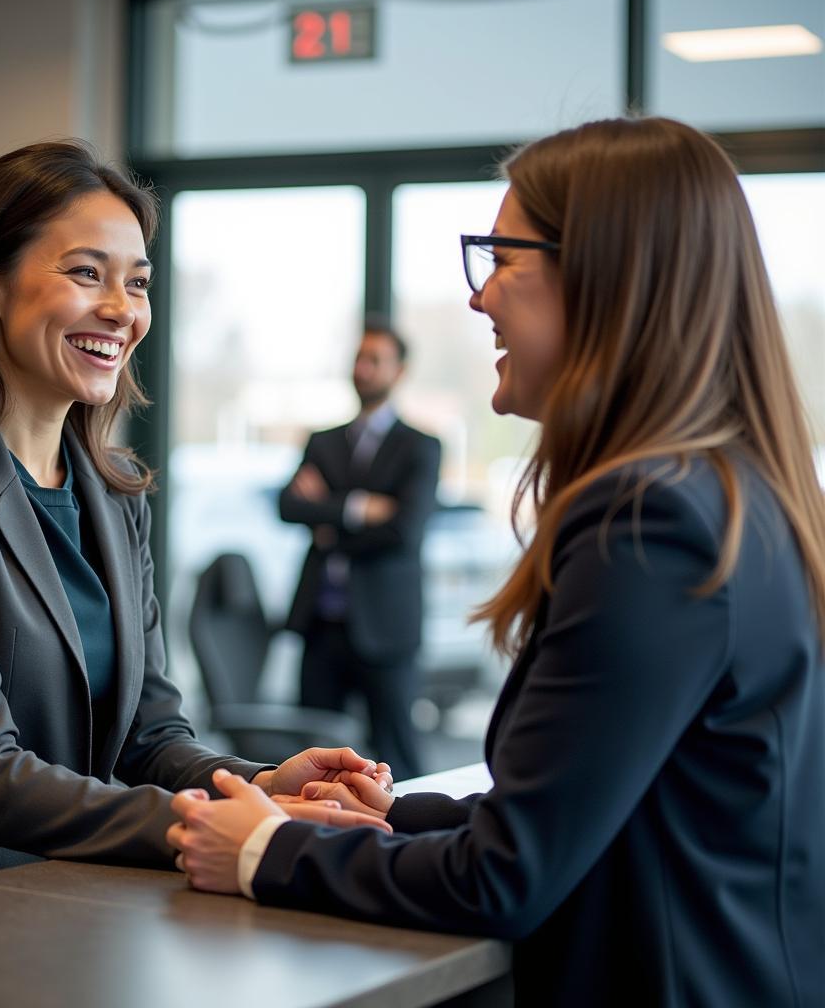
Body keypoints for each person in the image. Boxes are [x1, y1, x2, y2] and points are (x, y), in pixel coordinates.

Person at [168, 117, 825, 1007]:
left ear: (603, 277)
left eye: (501, 257)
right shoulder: (729, 493)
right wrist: (384, 814)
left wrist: (264, 851)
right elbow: (585, 806)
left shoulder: (649, 524)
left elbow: (505, 877)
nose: (478, 300)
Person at [0, 141, 390, 909]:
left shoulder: (115, 499)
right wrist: (235, 824)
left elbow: (149, 737)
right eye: (86, 273)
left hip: (64, 907)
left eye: (137, 283)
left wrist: (262, 785)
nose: (122, 309)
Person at [279, 324, 441, 780]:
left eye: (375, 359)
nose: (363, 368)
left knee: (398, 754)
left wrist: (328, 514)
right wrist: (360, 507)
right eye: (359, 358)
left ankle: (412, 843)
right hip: (322, 624)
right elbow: (288, 506)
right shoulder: (323, 441)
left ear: (399, 370)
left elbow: (405, 531)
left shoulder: (420, 447)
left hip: (385, 627)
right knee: (312, 757)